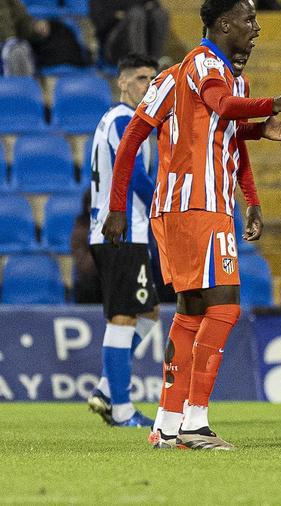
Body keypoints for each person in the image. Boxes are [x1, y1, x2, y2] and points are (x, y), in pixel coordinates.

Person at [103, 0, 281, 450]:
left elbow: (228, 133)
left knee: (191, 312)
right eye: (249, 19)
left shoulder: (208, 78)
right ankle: (195, 421)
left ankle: (167, 423)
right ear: (223, 23)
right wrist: (117, 206)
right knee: (224, 308)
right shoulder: (204, 63)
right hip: (195, 205)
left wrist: (253, 194)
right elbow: (152, 130)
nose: (256, 28)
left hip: (199, 206)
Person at [85, 54, 162, 429]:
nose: (148, 85)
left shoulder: (121, 121)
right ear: (122, 82)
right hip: (121, 231)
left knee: (148, 313)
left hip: (127, 232)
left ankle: (106, 388)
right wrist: (162, 207)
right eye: (141, 78)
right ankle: (122, 409)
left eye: (153, 79)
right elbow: (131, 173)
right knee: (124, 315)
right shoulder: (122, 120)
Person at [0, 0, 35, 76]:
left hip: (6, 42)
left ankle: (22, 86)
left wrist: (36, 29)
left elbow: (23, 20)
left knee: (18, 52)